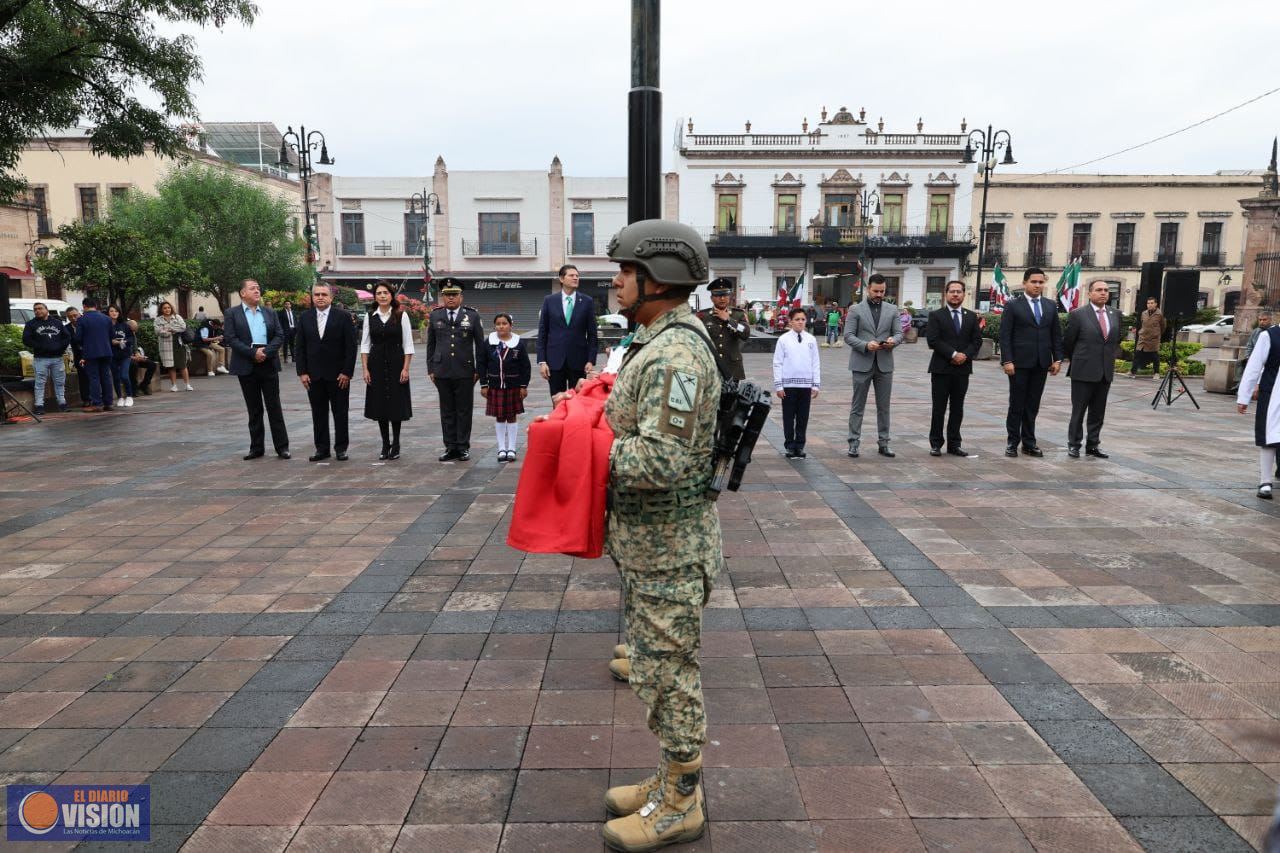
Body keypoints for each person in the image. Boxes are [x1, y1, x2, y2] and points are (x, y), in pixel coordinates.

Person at [598, 220, 719, 851]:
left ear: (657, 279)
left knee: (670, 673)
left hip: (671, 548)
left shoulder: (676, 354)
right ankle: (669, 779)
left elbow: (663, 460)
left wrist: (585, 453)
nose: (615, 281)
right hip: (654, 544)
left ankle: (681, 803)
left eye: (624, 271)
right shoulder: (657, 339)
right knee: (653, 667)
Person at [999, 268, 1063, 457]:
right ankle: (1012, 442)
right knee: (1017, 404)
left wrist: (1057, 358)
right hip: (1018, 363)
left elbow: (1056, 335)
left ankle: (1029, 442)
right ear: (1025, 282)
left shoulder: (1050, 305)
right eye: (1034, 282)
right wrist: (1007, 360)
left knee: (1033, 405)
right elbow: (1005, 335)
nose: (1037, 285)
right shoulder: (1012, 305)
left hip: (1041, 363)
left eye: (1041, 282)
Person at [225, 279, 290, 460]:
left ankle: (282, 447)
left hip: (268, 363)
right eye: (252, 288)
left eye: (258, 288)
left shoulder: (269, 313)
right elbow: (231, 338)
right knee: (254, 409)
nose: (257, 291)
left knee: (274, 406)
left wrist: (266, 352)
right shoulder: (232, 313)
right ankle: (256, 447)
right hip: (247, 364)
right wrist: (253, 353)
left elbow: (279, 335)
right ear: (242, 293)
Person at [295, 283, 357, 462]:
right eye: (316, 294)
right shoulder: (305, 317)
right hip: (313, 375)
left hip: (338, 375)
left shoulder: (343, 317)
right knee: (318, 413)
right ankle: (321, 449)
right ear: (312, 297)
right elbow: (300, 347)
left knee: (340, 412)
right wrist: (302, 372)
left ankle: (341, 448)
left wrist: (347, 372)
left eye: (323, 294)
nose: (320, 297)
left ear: (331, 297)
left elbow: (351, 347)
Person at [844, 274, 904, 458]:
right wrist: (865, 345)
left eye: (882, 291)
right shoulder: (856, 310)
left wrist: (894, 340)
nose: (879, 294)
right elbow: (848, 335)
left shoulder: (892, 309)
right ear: (868, 288)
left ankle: (884, 443)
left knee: (884, 406)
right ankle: (853, 442)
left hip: (884, 363)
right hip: (862, 362)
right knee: (857, 406)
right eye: (876, 291)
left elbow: (899, 333)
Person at [427, 278, 485, 462]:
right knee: (446, 410)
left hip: (465, 370)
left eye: (454, 295)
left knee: (464, 410)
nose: (450, 298)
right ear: (442, 296)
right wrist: (431, 368)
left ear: (461, 296)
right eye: (447, 295)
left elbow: (480, 345)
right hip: (442, 370)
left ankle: (462, 446)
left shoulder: (472, 316)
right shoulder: (435, 315)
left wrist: (479, 370)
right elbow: (431, 344)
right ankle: (450, 446)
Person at [1064, 280, 1122, 459]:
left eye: (1106, 290)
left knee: (1098, 412)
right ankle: (1074, 444)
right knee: (1078, 411)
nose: (1103, 293)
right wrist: (1081, 359)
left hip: (1105, 372)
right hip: (1083, 371)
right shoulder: (1078, 315)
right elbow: (1068, 342)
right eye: (1099, 290)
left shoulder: (1116, 314)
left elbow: (1115, 340)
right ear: (1089, 294)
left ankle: (1093, 445)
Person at [925, 281, 983, 457]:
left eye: (959, 292)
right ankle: (936, 443)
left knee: (958, 408)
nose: (955, 294)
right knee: (939, 408)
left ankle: (954, 444)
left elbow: (977, 341)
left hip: (962, 369)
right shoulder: (936, 315)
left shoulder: (971, 317)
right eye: (952, 291)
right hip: (941, 368)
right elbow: (933, 340)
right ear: (946, 294)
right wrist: (953, 354)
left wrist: (965, 355)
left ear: (964, 294)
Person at [361, 281, 414, 461]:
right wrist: (365, 369)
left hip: (396, 362)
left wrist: (405, 368)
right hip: (376, 363)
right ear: (375, 297)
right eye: (379, 293)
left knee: (395, 403)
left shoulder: (401, 315)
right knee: (380, 404)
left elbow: (408, 344)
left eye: (385, 293)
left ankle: (396, 443)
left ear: (391, 295)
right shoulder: (370, 317)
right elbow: (365, 344)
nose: (382, 296)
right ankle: (385, 444)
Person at [537, 263, 599, 395]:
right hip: (554, 361)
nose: (575, 278)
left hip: (579, 361)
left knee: (577, 400)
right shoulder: (549, 301)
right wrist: (542, 361)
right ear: (561, 279)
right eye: (571, 275)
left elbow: (592, 334)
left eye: (577, 276)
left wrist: (591, 359)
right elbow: (543, 332)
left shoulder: (587, 301)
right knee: (557, 400)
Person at [1237, 316, 1280, 499]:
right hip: (1272, 393)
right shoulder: (1269, 335)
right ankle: (1265, 481)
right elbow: (1254, 366)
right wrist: (1244, 396)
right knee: (1268, 438)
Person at [480, 312, 531, 462]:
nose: (501, 326)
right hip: (495, 386)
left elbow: (525, 366)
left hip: (513, 386)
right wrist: (484, 384)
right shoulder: (488, 343)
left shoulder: (518, 343)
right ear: (494, 326)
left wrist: (523, 385)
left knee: (512, 416)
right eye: (498, 324)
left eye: (504, 323)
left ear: (510, 325)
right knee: (500, 417)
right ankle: (502, 448)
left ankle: (512, 448)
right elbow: (482, 363)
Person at [773, 306, 820, 459]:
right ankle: (789, 445)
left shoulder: (811, 339)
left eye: (803, 320)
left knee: (802, 417)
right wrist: (779, 385)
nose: (800, 322)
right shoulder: (783, 339)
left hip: (805, 385)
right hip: (789, 385)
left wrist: (815, 384)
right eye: (797, 320)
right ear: (790, 322)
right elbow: (777, 363)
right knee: (788, 416)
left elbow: (815, 362)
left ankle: (800, 445)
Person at [695, 278, 751, 381]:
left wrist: (729, 320)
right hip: (711, 367)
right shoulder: (703, 316)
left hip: (732, 368)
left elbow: (746, 333)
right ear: (712, 298)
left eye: (725, 295)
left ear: (729, 297)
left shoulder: (738, 314)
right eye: (717, 295)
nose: (722, 298)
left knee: (730, 397)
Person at [23, 301, 70, 415]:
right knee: (40, 383)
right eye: (35, 309)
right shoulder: (31, 324)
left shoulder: (57, 323)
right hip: (40, 358)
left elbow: (66, 337)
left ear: (46, 310)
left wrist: (60, 348)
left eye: (40, 308)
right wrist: (40, 346)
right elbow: (26, 339)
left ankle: (62, 404)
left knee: (59, 382)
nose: (37, 311)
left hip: (57, 358)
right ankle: (39, 406)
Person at [74, 297, 115, 412]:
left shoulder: (81, 320)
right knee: (106, 377)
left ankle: (97, 404)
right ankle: (109, 403)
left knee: (94, 378)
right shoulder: (107, 319)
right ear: (96, 306)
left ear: (84, 306)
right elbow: (112, 335)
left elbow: (78, 338)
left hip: (90, 352)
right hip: (106, 351)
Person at [154, 301, 193, 392]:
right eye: (165, 308)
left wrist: (170, 329)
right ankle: (174, 385)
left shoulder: (177, 317)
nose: (167, 309)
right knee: (170, 366)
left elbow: (183, 327)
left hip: (178, 343)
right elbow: (157, 331)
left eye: (168, 307)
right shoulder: (158, 319)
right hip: (165, 345)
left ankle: (187, 384)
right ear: (161, 309)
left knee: (182, 365)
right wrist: (170, 331)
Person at [107, 305, 136, 407]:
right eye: (111, 311)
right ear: (108, 313)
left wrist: (122, 342)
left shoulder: (124, 325)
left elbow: (131, 339)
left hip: (125, 355)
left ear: (119, 313)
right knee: (115, 377)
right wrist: (112, 342)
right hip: (112, 355)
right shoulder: (106, 326)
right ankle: (120, 397)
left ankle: (129, 396)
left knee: (124, 375)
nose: (114, 313)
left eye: (116, 311)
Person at [1130, 296, 1166, 377]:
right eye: (1148, 303)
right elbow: (1142, 324)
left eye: (1152, 303)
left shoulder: (1159, 314)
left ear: (1156, 304)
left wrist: (1157, 334)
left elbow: (1163, 326)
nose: (1149, 305)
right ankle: (1133, 372)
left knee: (1155, 356)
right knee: (1137, 354)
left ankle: (1156, 373)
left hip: (1153, 339)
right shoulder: (1144, 313)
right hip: (1142, 338)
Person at [63, 307, 90, 409]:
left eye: (75, 315)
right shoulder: (66, 328)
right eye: (70, 317)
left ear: (79, 314)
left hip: (90, 354)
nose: (74, 318)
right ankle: (86, 399)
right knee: (83, 378)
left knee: (93, 377)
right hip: (77, 356)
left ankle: (96, 397)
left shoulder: (86, 324)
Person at [126, 320, 157, 396]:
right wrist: (132, 357)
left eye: (135, 330)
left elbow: (135, 349)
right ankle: (134, 388)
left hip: (134, 357)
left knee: (152, 364)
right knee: (134, 365)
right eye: (133, 330)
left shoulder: (133, 335)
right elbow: (122, 352)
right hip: (126, 358)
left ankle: (144, 385)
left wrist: (139, 356)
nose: (134, 332)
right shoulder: (123, 335)